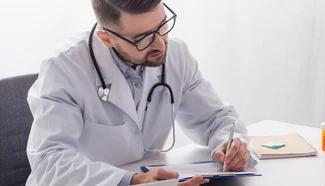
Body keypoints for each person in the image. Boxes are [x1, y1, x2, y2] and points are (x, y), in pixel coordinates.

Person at [25, 0, 260, 185]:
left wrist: (229, 145)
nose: (159, 44)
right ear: (106, 38)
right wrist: (130, 181)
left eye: (162, 26)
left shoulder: (176, 55)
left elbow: (215, 119)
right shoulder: (64, 68)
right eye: (142, 38)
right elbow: (49, 162)